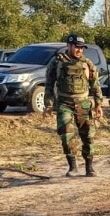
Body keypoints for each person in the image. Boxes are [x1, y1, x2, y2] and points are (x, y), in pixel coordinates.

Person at [44, 34, 103, 177]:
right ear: (69, 46)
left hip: (83, 103)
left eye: (81, 48)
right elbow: (49, 84)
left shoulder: (87, 63)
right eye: (77, 47)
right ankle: (72, 167)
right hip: (64, 103)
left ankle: (89, 167)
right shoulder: (57, 62)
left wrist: (98, 104)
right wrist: (48, 105)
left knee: (88, 135)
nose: (79, 50)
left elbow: (95, 84)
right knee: (66, 134)